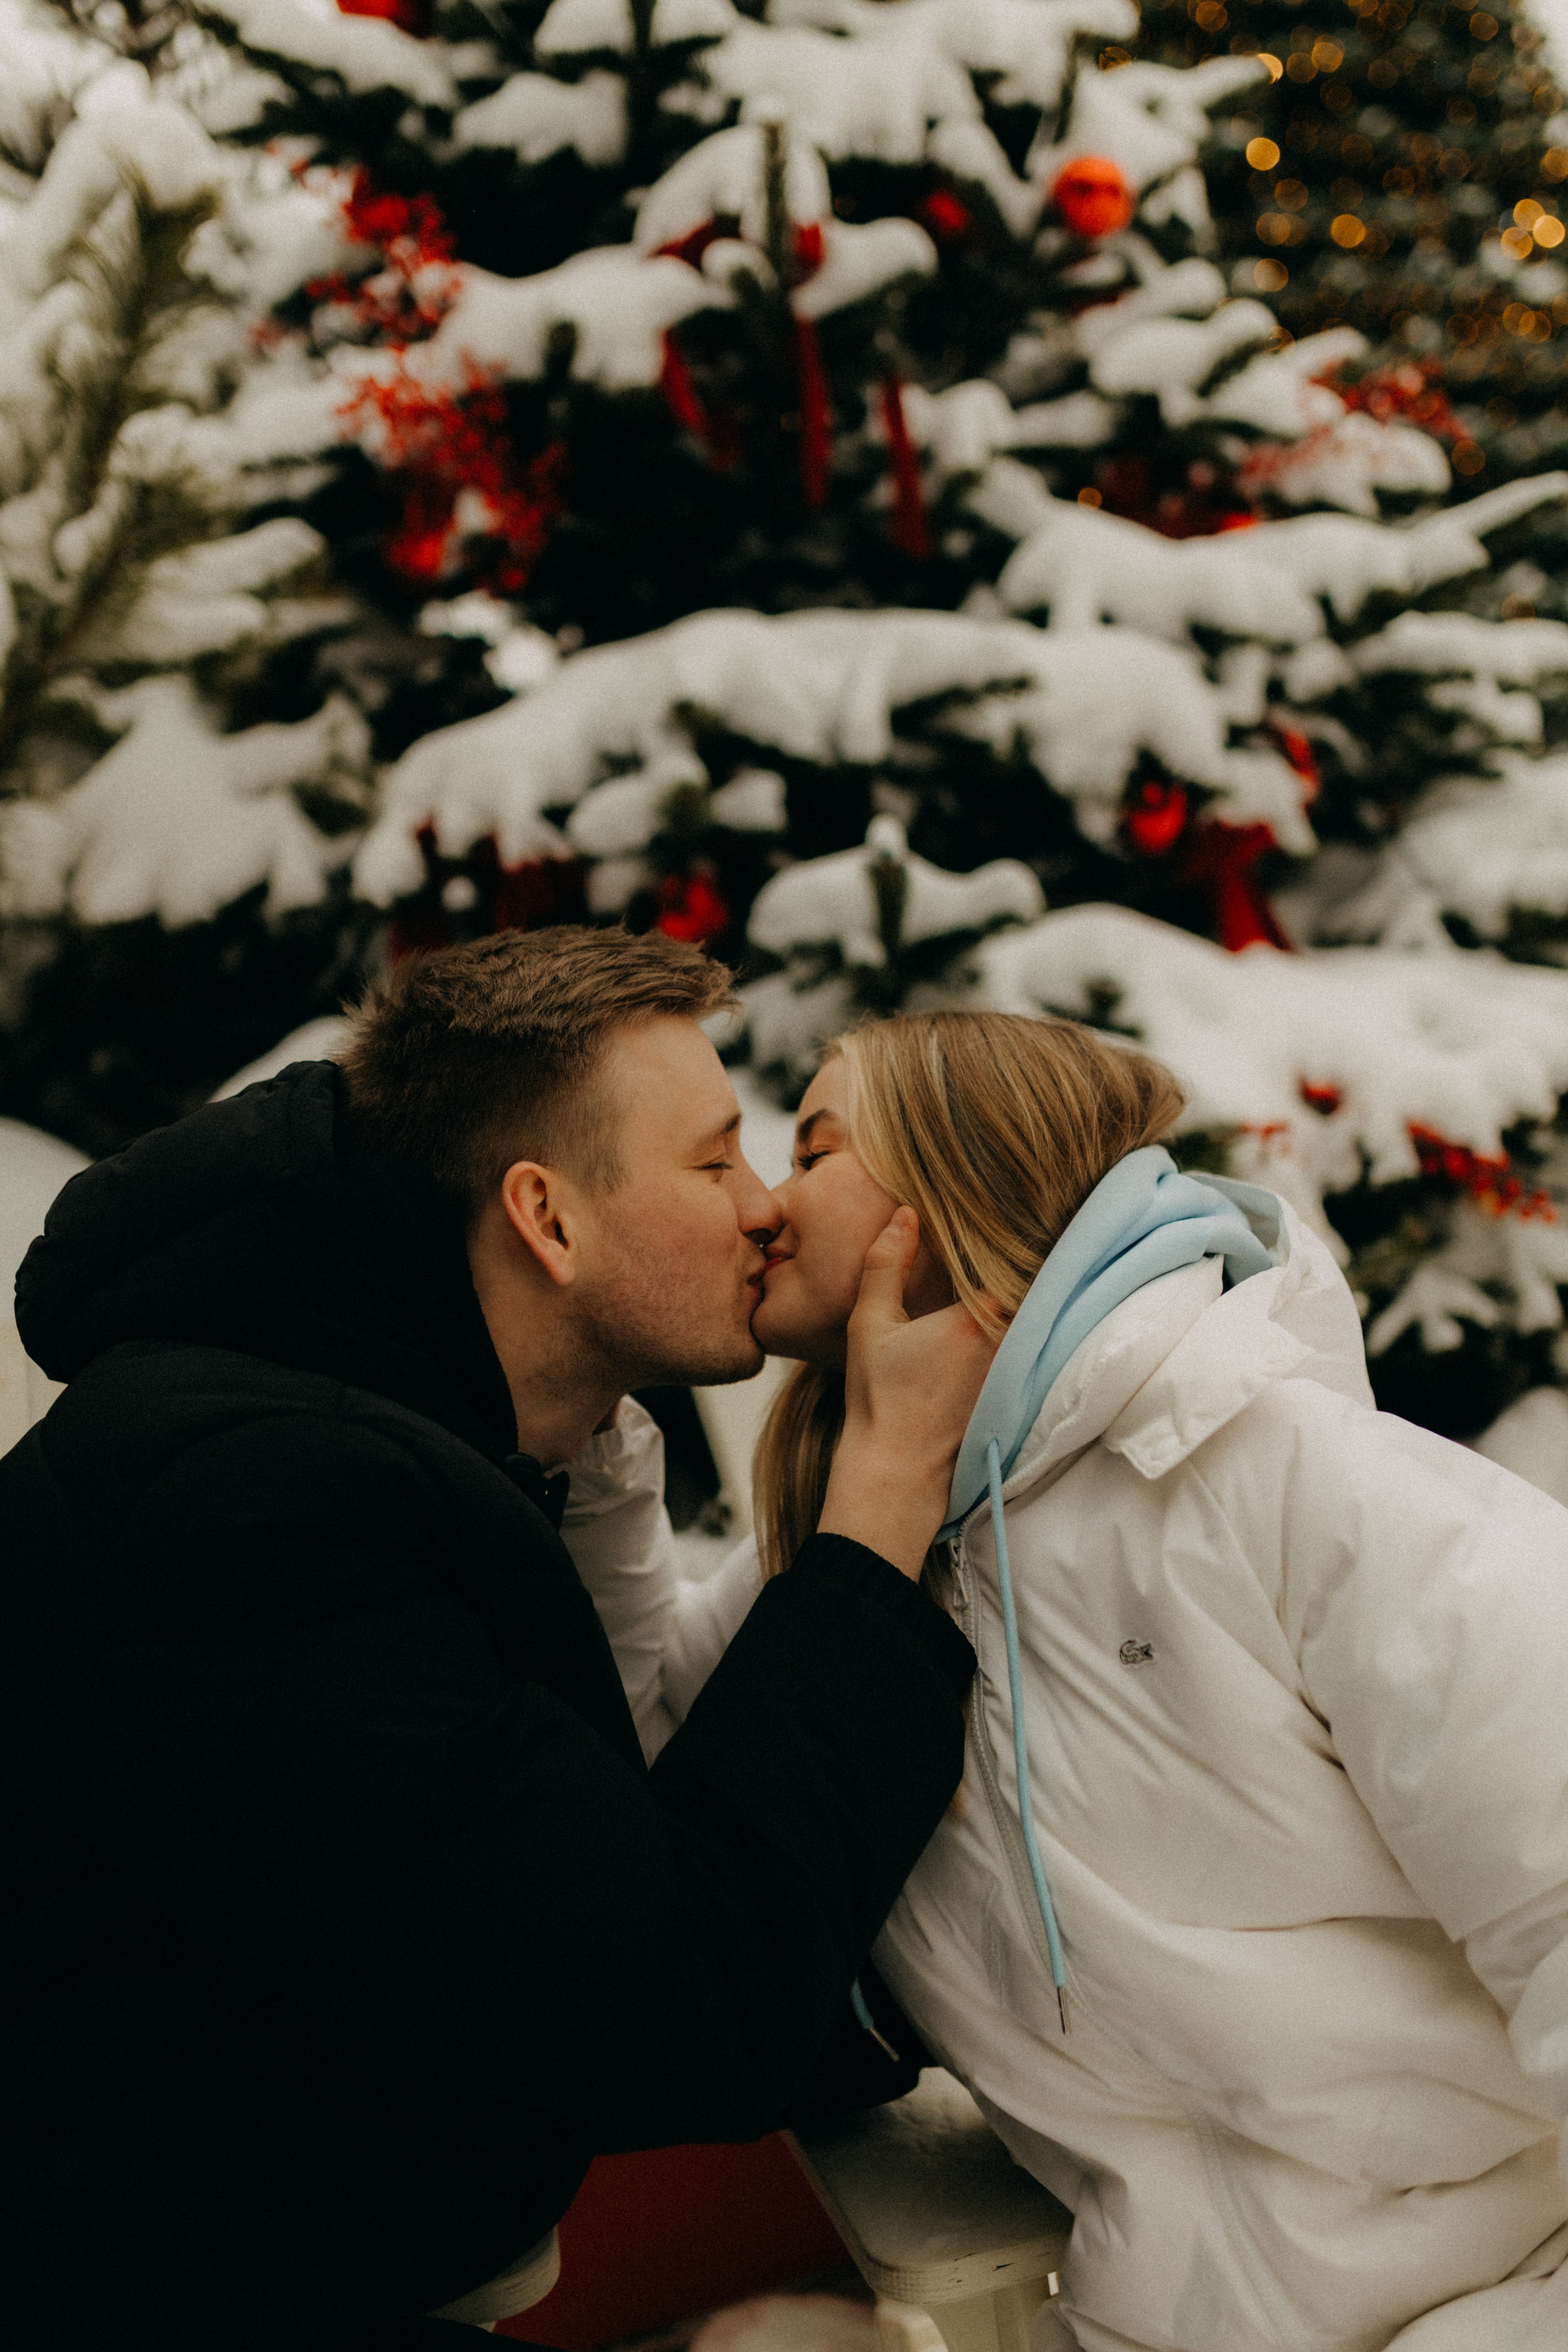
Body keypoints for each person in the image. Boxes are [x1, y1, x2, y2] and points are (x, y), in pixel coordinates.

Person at [0, 929, 997, 2352]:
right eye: (715, 1163)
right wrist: (885, 1488)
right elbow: (672, 2004)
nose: (766, 1207)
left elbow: (552, 1865)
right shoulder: (245, 1517)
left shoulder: (371, 1432)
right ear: (548, 1219)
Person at [608, 1009, 1568, 2352]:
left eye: (812, 1149)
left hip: (1500, 2291)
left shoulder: (1265, 1473)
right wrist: (594, 1404)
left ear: (946, 1190)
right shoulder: (860, 1568)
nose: (763, 1206)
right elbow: (640, 1762)